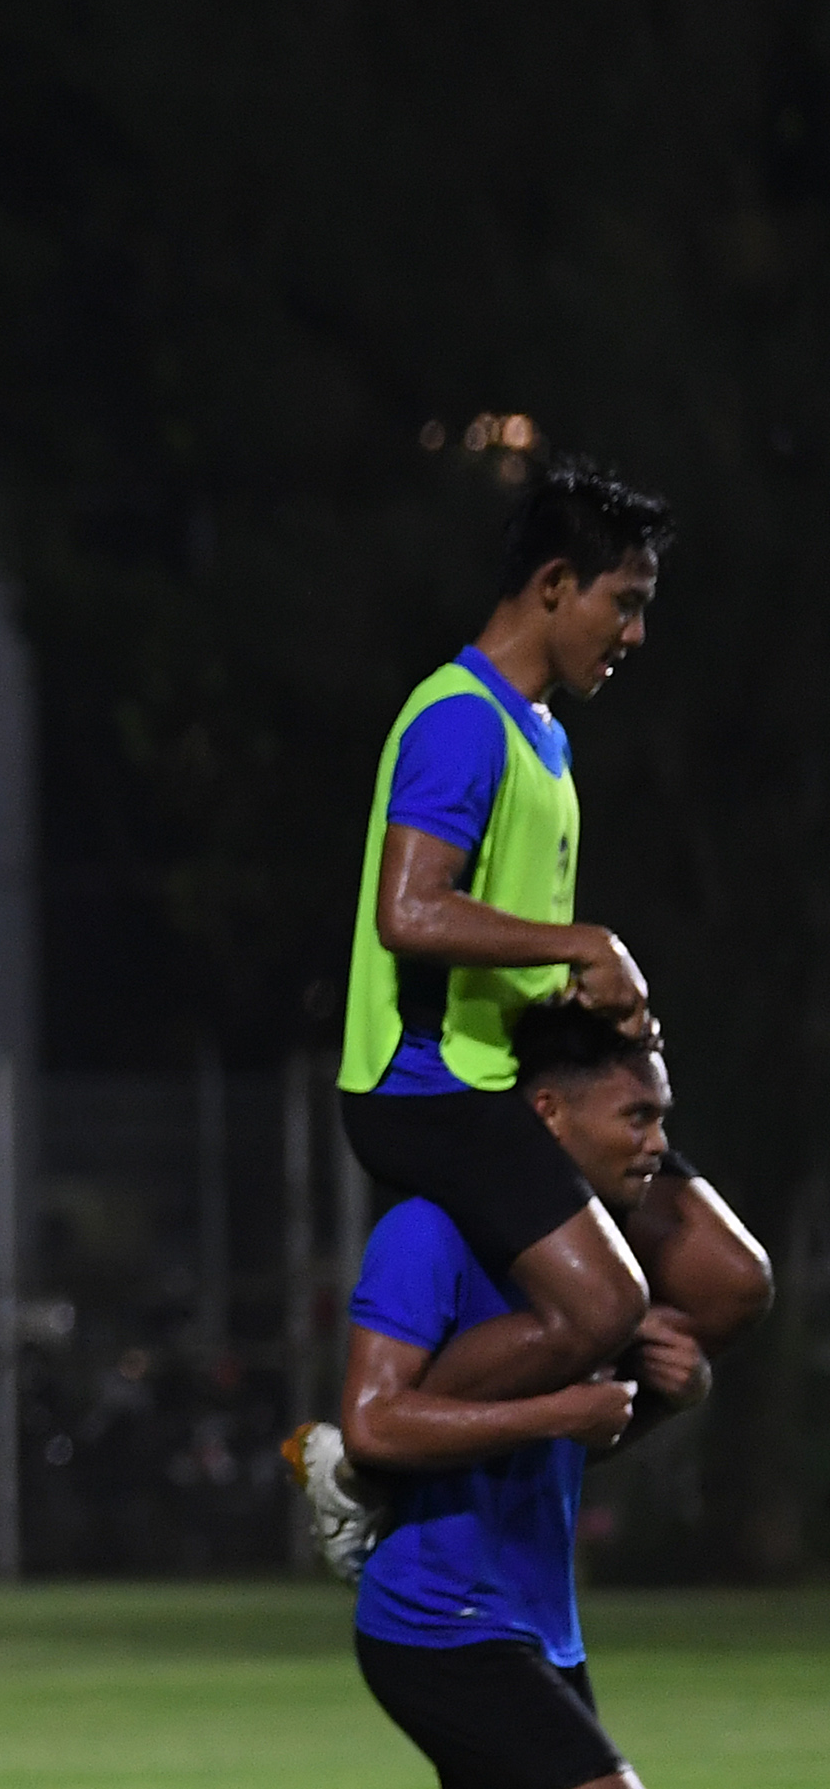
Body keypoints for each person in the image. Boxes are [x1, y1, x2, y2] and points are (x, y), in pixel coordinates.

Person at [298, 463, 774, 1567]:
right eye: (626, 603)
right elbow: (409, 911)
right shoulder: (460, 720)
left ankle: (485, 1459)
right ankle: (368, 1457)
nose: (636, 634)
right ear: (555, 585)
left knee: (726, 1283)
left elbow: (499, 950)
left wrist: (600, 1011)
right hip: (424, 1087)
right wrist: (582, 945)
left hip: (508, 1076)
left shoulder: (541, 733)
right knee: (604, 1307)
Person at [338, 1000, 706, 1789]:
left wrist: (653, 1401)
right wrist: (561, 1408)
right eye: (637, 1114)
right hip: (440, 1621)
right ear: (543, 1115)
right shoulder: (430, 1229)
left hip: (526, 1623)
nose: (657, 1141)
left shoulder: (580, 1268)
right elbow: (374, 1427)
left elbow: (552, 1440)